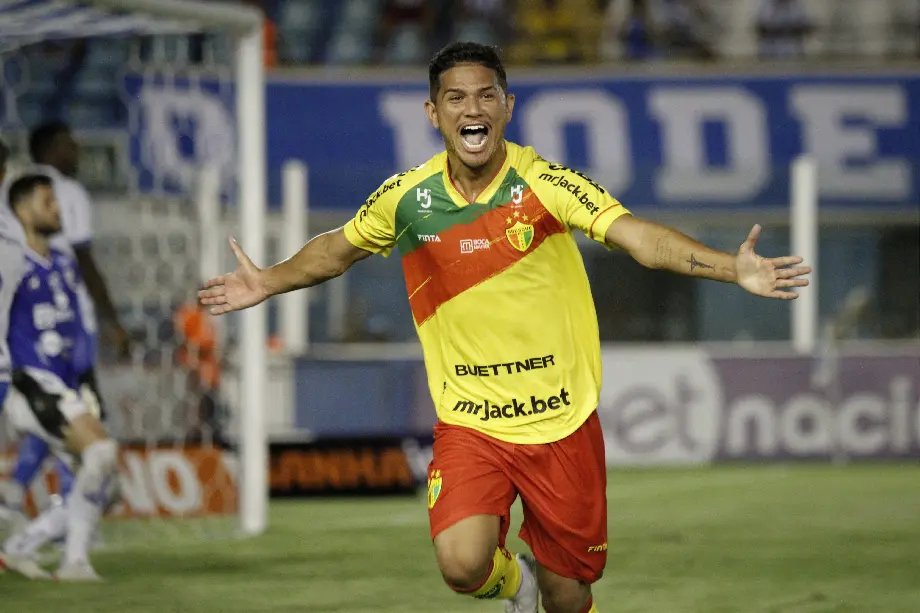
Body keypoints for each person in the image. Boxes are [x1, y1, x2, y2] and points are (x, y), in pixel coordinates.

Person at [199, 42, 811, 613]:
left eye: (486, 95)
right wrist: (268, 281)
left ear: (507, 107)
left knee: (569, 597)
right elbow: (337, 249)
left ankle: (546, 588)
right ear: (433, 112)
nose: (473, 109)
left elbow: (642, 239)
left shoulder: (545, 184)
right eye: (456, 98)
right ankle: (517, 585)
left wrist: (732, 268)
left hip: (561, 423)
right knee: (462, 565)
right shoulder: (406, 198)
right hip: (472, 423)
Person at [0, 174, 118, 581]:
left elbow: (76, 328)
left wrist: (86, 380)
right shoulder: (11, 261)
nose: (57, 209)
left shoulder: (65, 264)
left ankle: (21, 546)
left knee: (104, 481)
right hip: (29, 382)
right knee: (100, 454)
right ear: (22, 209)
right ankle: (73, 562)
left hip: (66, 383)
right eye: (47, 202)